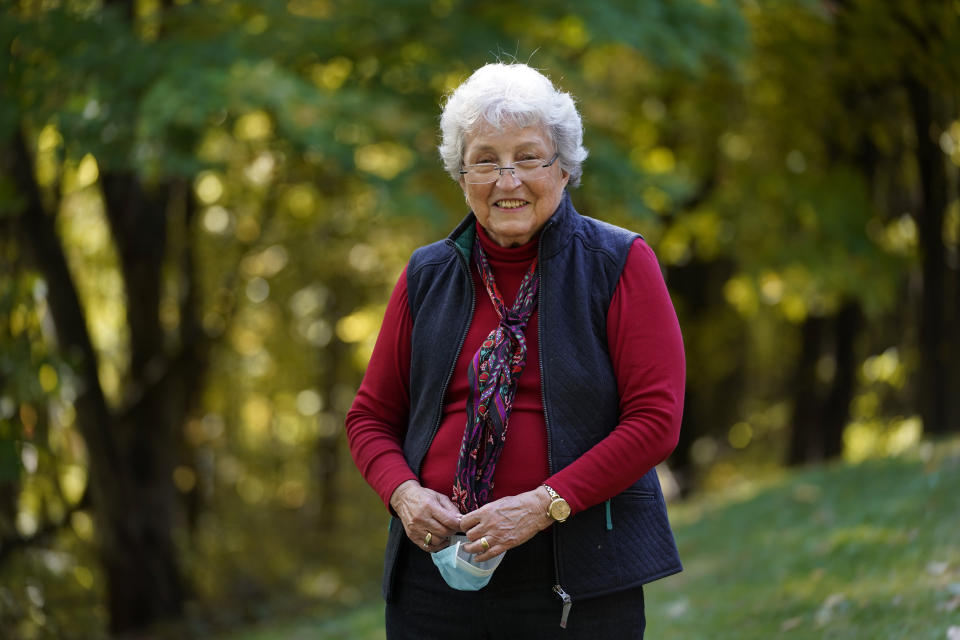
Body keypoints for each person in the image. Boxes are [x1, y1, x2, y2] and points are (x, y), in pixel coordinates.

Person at [345, 62, 685, 639]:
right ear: (461, 174)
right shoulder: (427, 274)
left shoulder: (617, 263)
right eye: (485, 160)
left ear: (563, 168)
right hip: (433, 578)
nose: (508, 181)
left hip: (576, 576)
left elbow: (655, 422)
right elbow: (370, 419)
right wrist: (403, 495)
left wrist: (542, 505)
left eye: (528, 157)